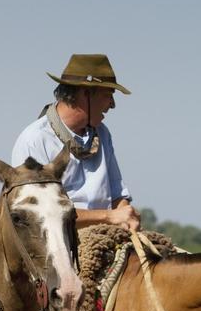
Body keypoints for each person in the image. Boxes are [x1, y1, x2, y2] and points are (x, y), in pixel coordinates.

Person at [11, 54, 140, 230]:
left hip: (106, 232)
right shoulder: (35, 140)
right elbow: (41, 211)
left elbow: (118, 196)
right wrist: (109, 216)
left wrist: (126, 213)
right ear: (85, 93)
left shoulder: (102, 133)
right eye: (108, 95)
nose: (112, 104)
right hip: (57, 242)